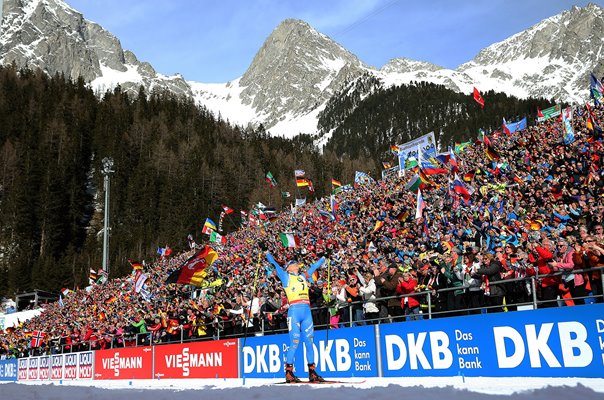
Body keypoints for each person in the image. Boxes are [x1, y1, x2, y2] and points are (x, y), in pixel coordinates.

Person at [264, 246, 326, 383]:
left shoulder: (303, 276)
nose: (297, 265)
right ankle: (289, 373)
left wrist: (324, 257)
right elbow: (274, 264)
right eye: (294, 264)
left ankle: (312, 372)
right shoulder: (286, 277)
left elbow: (314, 267)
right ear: (288, 268)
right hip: (294, 311)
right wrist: (267, 252)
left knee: (310, 343)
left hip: (306, 311)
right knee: (295, 343)